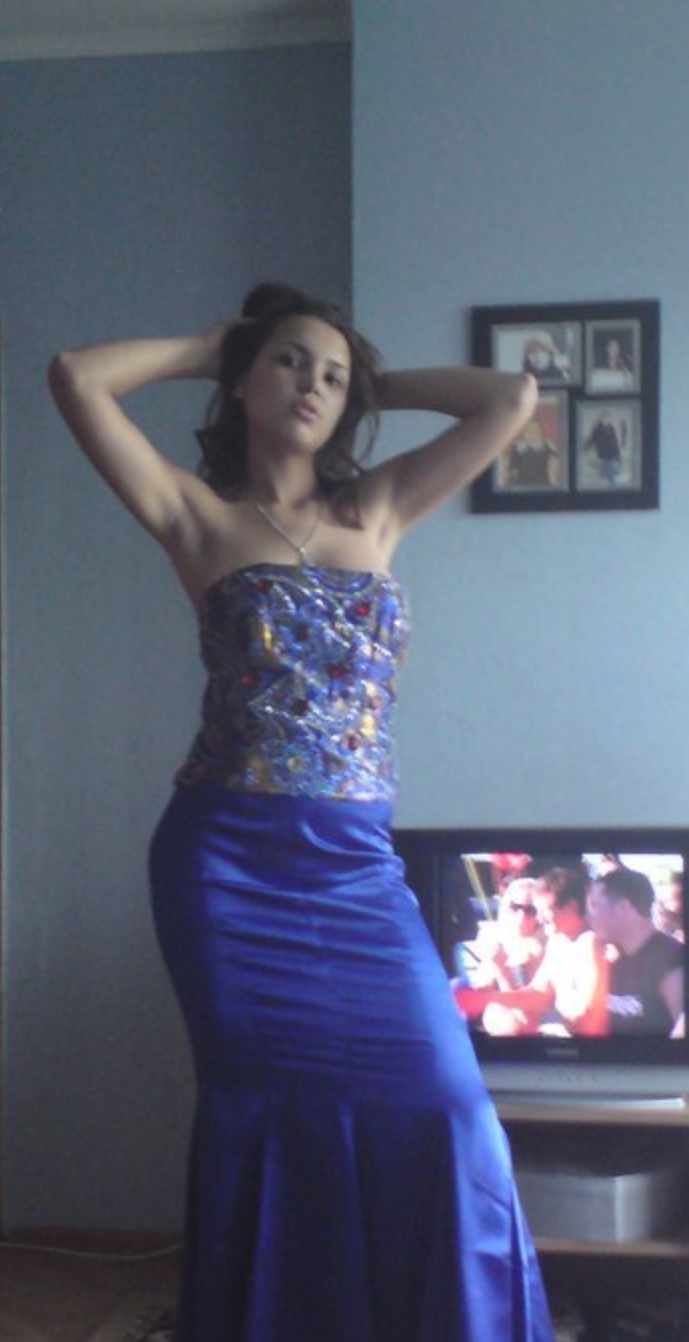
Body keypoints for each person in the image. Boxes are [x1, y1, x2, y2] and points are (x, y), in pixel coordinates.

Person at [49, 282, 552, 1342]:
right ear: (244, 380)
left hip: (358, 871)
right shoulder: (197, 517)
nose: (311, 385)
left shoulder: (380, 507)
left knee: (447, 1108)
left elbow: (509, 398)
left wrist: (369, 381)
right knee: (269, 1119)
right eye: (289, 363)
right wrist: (209, 347)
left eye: (331, 374)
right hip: (228, 867)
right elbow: (77, 378)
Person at [454, 867, 609, 1037]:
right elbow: (538, 994)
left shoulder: (590, 943)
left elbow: (584, 1011)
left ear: (571, 907)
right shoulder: (557, 942)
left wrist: (552, 1024)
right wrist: (488, 997)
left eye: (543, 911)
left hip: (589, 1047)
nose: (539, 919)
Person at [587, 866, 685, 1037]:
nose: (589, 916)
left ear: (622, 908)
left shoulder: (670, 959)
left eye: (594, 905)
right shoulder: (616, 960)